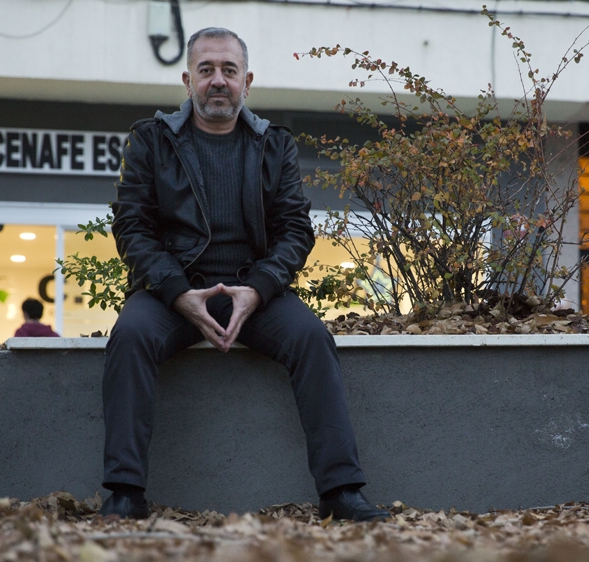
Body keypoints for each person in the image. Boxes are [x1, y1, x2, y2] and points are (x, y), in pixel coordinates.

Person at [99, 27, 389, 522]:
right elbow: (132, 226)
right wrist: (176, 293)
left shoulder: (274, 145)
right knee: (129, 336)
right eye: (207, 70)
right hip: (173, 289)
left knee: (313, 338)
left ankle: (341, 490)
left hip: (254, 291)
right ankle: (125, 493)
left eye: (228, 71)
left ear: (246, 82)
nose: (218, 81)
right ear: (188, 79)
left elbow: (296, 229)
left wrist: (257, 290)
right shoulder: (151, 140)